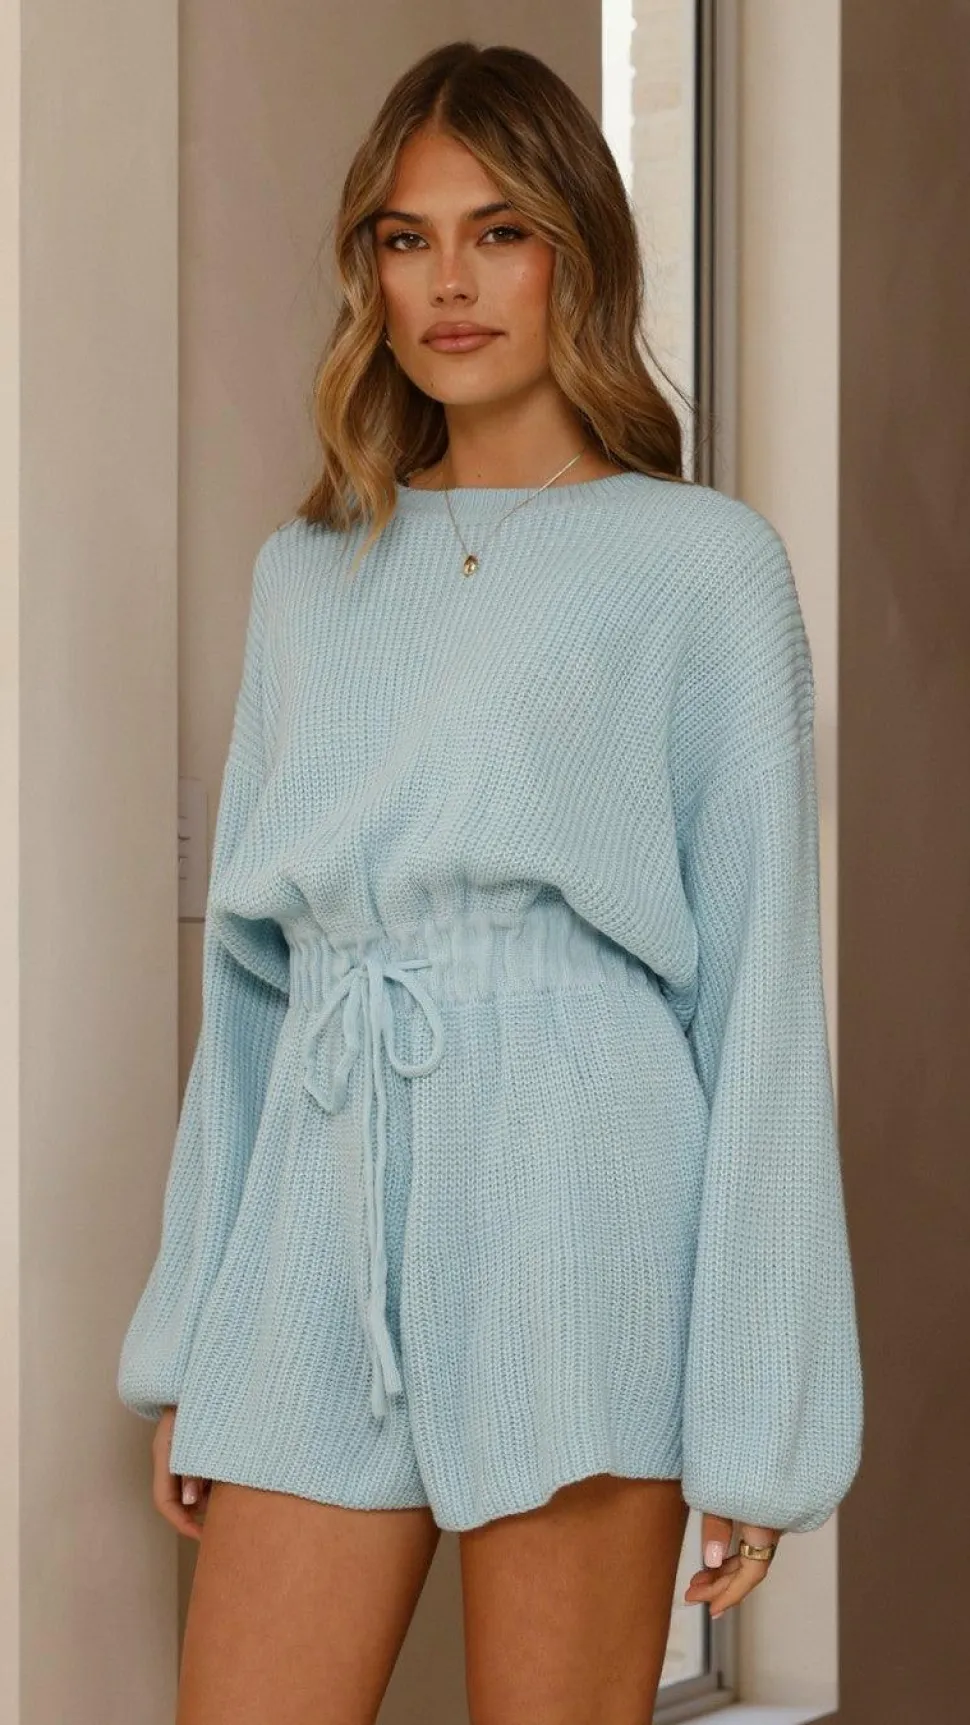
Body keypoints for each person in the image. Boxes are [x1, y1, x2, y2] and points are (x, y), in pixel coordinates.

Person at [117, 38, 864, 1725]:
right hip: (324, 1196)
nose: (448, 282)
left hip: (580, 1198)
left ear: (575, 256)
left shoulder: (699, 567)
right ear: (369, 275)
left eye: (499, 231)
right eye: (406, 239)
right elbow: (251, 991)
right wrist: (196, 1341)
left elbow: (758, 1000)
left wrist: (760, 1419)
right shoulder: (307, 573)